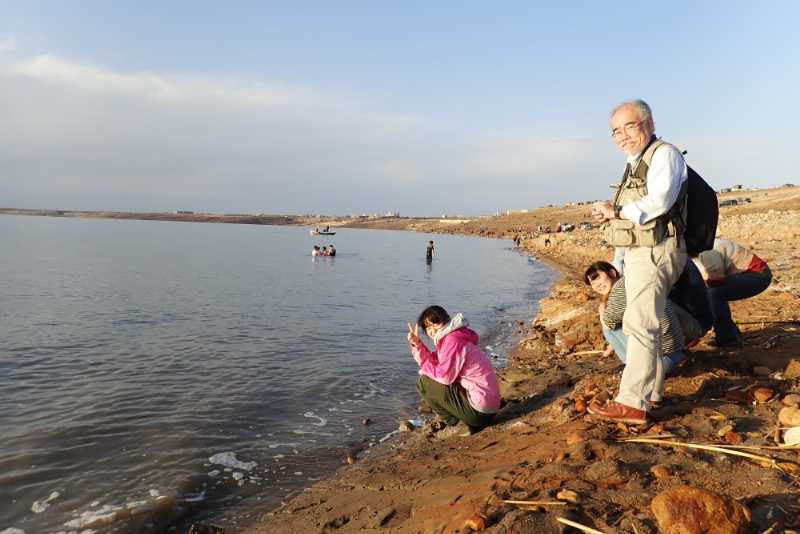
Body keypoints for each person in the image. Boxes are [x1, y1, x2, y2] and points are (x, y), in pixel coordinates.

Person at [589, 99, 688, 424]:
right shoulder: (635, 162)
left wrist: (617, 211)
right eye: (616, 130)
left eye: (629, 126)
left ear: (649, 123)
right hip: (641, 252)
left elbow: (660, 200)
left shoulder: (664, 154)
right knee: (645, 321)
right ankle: (653, 392)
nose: (622, 135)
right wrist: (612, 214)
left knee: (638, 323)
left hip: (657, 250)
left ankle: (632, 403)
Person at [585, 262, 686, 400]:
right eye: (592, 283)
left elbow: (609, 324)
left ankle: (635, 370)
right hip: (674, 355)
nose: (596, 286)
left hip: (661, 360)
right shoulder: (632, 282)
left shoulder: (620, 287)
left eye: (598, 278)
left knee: (606, 320)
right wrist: (611, 347)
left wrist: (602, 308)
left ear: (612, 273)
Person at [407, 306, 500, 439]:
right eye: (428, 328)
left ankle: (455, 425)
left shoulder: (453, 340)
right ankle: (462, 421)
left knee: (423, 383)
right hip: (487, 407)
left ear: (447, 320)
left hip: (481, 412)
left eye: (436, 323)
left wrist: (424, 371)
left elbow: (445, 377)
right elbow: (433, 362)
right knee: (431, 377)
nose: (432, 330)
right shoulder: (454, 337)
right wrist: (417, 345)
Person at [691, 238, 772, 347]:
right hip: (743, 274)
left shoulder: (707, 252)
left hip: (757, 275)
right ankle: (731, 332)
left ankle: (727, 337)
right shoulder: (700, 250)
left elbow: (716, 279)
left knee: (713, 295)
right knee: (711, 294)